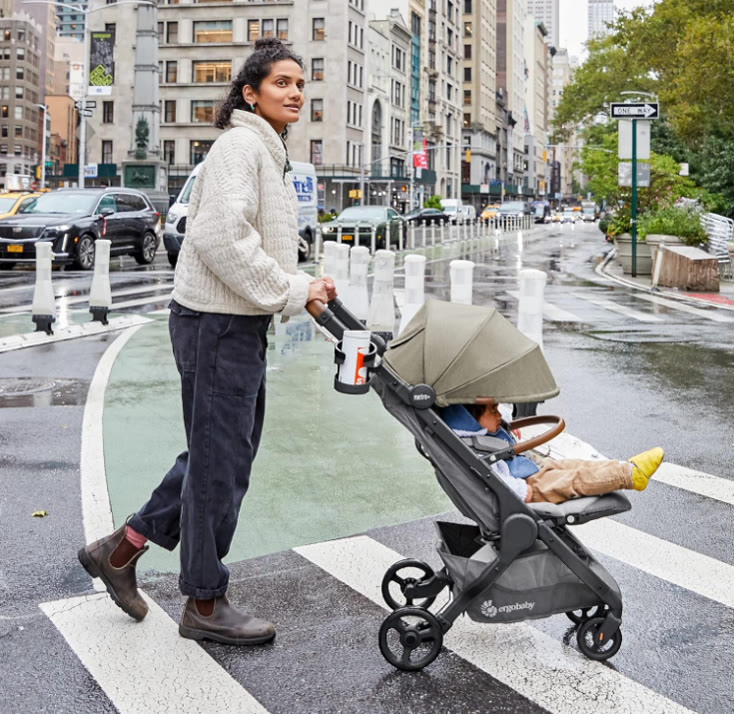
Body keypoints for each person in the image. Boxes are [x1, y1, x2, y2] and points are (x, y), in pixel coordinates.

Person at [78, 38, 336, 646]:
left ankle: (122, 548)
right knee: (220, 461)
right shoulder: (241, 146)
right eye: (281, 83)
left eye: (300, 83)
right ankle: (202, 600)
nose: (295, 92)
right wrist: (294, 290)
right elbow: (221, 238)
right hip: (216, 323)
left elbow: (251, 239)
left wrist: (296, 285)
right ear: (250, 92)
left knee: (220, 453)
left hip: (232, 323)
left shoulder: (266, 152)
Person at [442, 403, 664, 505]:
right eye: (493, 410)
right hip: (528, 487)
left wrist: (501, 426)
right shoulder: (472, 448)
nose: (499, 413)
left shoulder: (474, 435)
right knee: (573, 479)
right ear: (472, 421)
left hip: (526, 469)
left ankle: (627, 467)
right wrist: (522, 492)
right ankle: (628, 475)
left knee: (573, 465)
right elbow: (494, 479)